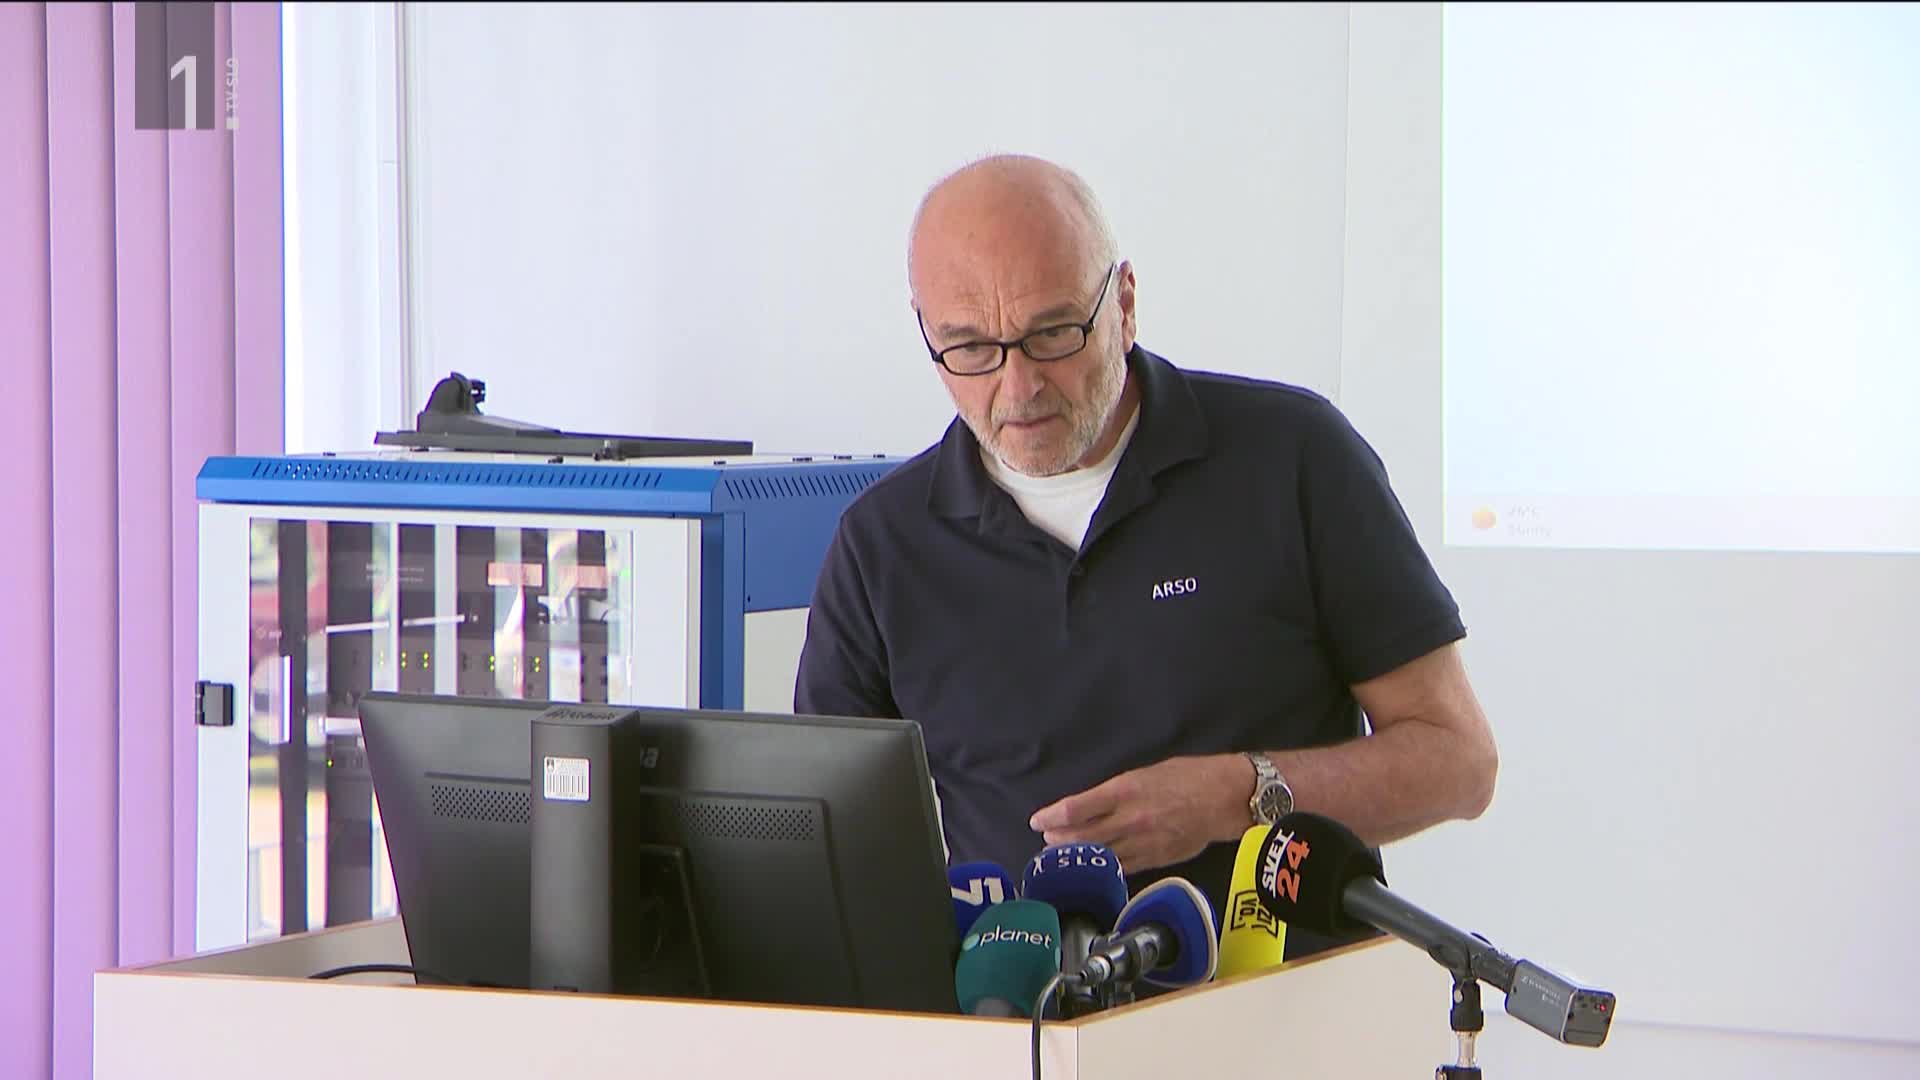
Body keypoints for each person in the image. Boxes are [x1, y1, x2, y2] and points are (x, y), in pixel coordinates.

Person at [795, 154, 1498, 959]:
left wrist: (1239, 796)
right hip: (1016, 1015)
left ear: (1124, 304)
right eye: (971, 348)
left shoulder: (1293, 459)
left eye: (1053, 333)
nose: (1018, 387)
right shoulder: (882, 544)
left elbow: (1459, 762)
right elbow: (827, 840)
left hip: (1286, 1010)